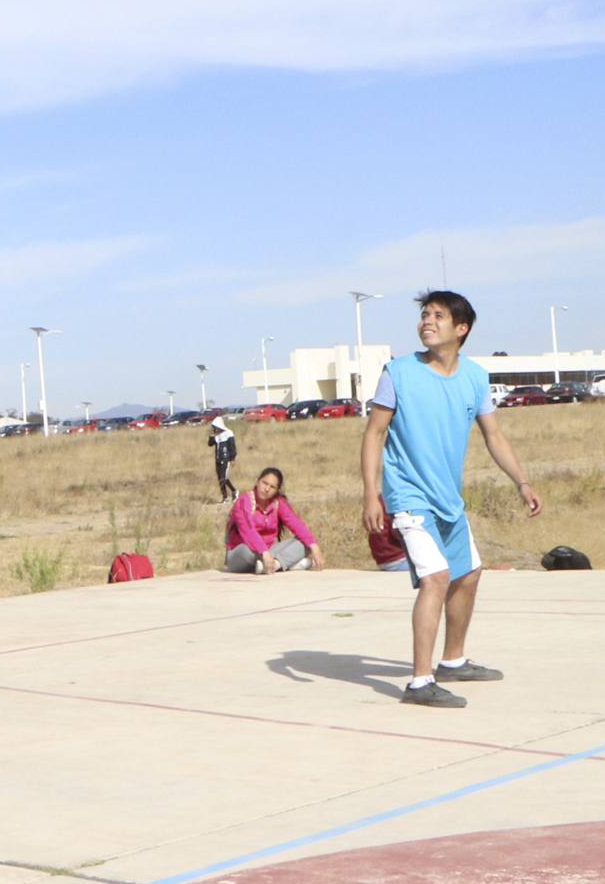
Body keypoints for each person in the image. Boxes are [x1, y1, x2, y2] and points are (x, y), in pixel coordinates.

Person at [360, 291, 542, 708]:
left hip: (448, 499)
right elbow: (374, 434)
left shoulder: (476, 378)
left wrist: (522, 482)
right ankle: (420, 683)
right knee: (436, 577)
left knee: (469, 573)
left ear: (461, 329)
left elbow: (493, 435)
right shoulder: (398, 373)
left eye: (438, 316)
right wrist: (372, 494)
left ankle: (453, 660)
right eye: (424, 315)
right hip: (408, 495)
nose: (427, 321)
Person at [222, 466, 326, 573]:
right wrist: (264, 552)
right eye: (264, 483)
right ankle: (287, 564)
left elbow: (296, 523)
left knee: (305, 543)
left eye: (272, 487)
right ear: (258, 482)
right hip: (242, 553)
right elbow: (248, 530)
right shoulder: (245, 500)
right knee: (247, 550)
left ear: (277, 490)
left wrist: (315, 548)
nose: (266, 489)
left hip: (269, 552)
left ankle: (275, 564)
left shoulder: (278, 502)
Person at [207, 416, 238, 501]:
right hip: (218, 458)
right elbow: (210, 444)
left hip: (226, 459)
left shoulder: (228, 433)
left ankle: (234, 491)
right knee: (220, 478)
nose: (216, 429)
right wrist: (211, 436)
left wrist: (232, 458)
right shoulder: (216, 435)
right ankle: (225, 497)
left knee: (223, 477)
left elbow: (232, 447)